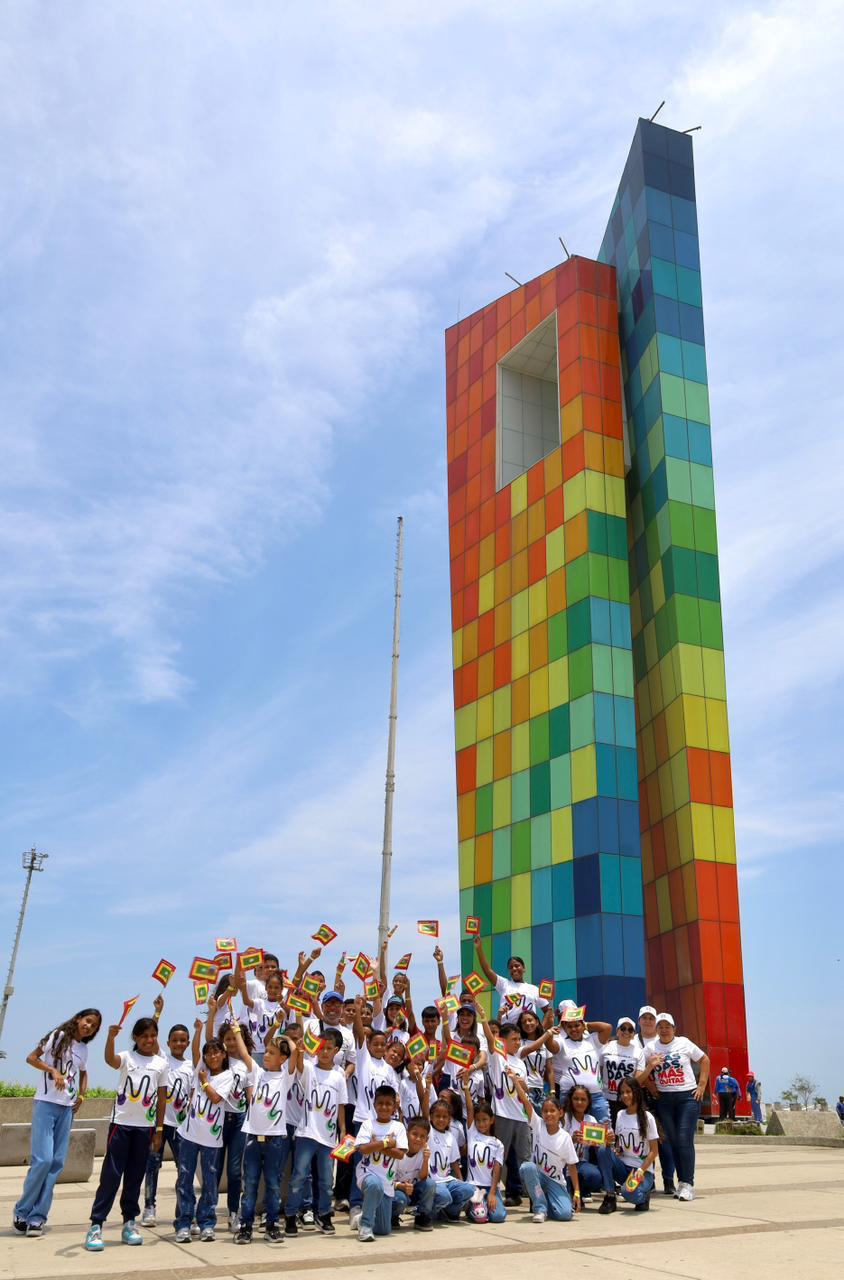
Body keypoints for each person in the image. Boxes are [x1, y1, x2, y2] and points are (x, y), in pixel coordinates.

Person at [14, 1008, 102, 1237]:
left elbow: (84, 1073)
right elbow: (31, 1058)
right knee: (42, 1160)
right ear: (78, 1019)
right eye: (87, 1021)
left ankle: (37, 1218)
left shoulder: (83, 1049)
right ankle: (22, 1211)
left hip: (67, 1109)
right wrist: (52, 1070)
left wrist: (82, 1096)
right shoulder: (58, 1036)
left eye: (94, 1026)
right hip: (45, 1104)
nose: (89, 1027)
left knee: (56, 1164)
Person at [84, 1016, 167, 1252]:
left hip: (145, 1127)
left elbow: (162, 1099)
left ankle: (129, 1222)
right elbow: (110, 1060)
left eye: (153, 1036)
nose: (149, 1040)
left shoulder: (161, 1064)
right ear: (135, 1038)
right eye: (144, 1036)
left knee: (135, 1177)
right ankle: (96, 1224)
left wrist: (159, 1130)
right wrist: (110, 1037)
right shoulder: (127, 1057)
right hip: (121, 1125)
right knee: (111, 1176)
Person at [229, 1022, 294, 1245]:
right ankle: (246, 1227)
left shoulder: (285, 1077)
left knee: (273, 1185)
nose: (266, 1055)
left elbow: (295, 1054)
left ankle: (272, 1225)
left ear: (282, 1058)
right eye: (266, 1051)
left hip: (276, 1140)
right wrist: (237, 1031)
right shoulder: (257, 1074)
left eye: (272, 1053)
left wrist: (286, 1039)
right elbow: (245, 1053)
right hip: (253, 1139)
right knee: (250, 1185)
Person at [637, 1012, 709, 1202]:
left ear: (674, 1028)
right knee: (673, 1141)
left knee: (684, 1139)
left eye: (667, 1026)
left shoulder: (683, 1042)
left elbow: (704, 1060)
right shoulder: (650, 1047)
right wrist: (651, 1086)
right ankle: (681, 1183)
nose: (664, 1030)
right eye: (660, 1026)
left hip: (687, 1097)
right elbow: (640, 1072)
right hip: (665, 1099)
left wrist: (702, 1085)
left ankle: (688, 1183)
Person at [173, 1024, 234, 1242]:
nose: (212, 1057)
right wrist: (199, 1030)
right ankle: (184, 1222)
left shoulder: (227, 1076)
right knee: (184, 1179)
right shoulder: (201, 1069)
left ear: (224, 1055)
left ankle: (207, 1222)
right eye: (208, 1054)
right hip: (188, 1135)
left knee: (209, 1182)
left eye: (216, 1052)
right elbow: (195, 1051)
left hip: (211, 1139)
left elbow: (216, 1098)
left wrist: (204, 1082)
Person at [285, 1027, 348, 1236]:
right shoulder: (310, 1069)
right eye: (321, 1048)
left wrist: (343, 1131)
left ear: (336, 1051)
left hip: (328, 1139)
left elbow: (340, 1106)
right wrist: (299, 1051)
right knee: (299, 1176)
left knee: (326, 1181)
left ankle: (324, 1214)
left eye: (329, 1048)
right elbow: (299, 1066)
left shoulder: (339, 1076)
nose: (325, 1052)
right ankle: (291, 1215)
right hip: (306, 1133)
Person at [142, 1014, 192, 1227]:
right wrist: (157, 1014)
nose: (179, 1043)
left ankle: (184, 1210)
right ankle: (149, 1207)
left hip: (182, 1128)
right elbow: (151, 1041)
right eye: (175, 1040)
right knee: (152, 1166)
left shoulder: (191, 1066)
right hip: (160, 1125)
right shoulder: (162, 1059)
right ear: (168, 1043)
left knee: (184, 1169)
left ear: (187, 1043)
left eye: (183, 1040)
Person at [511, 1074, 580, 1222]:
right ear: (541, 1113)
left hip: (555, 1181)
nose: (549, 1114)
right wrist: (516, 1083)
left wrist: (577, 1192)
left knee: (564, 1215)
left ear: (560, 1113)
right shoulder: (537, 1124)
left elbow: (572, 1166)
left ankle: (547, 1202)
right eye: (545, 1111)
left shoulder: (565, 1137)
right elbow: (526, 1102)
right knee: (527, 1167)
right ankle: (540, 1208)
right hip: (537, 1177)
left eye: (552, 1110)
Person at [210, 1008, 253, 1232]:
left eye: (236, 1038)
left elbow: (250, 1096)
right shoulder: (217, 1062)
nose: (232, 1043)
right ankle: (208, 1212)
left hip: (238, 1120)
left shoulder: (246, 1065)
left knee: (235, 1170)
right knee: (213, 1168)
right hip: (218, 1120)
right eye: (227, 1039)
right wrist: (211, 1014)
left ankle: (234, 1212)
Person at [482, 1018, 530, 1205]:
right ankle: (493, 1194)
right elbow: (489, 1037)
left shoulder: (520, 1063)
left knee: (525, 1158)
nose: (517, 1043)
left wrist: (521, 1083)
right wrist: (483, 1016)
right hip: (503, 1115)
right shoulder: (498, 1057)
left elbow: (526, 1089)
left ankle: (530, 1194)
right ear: (504, 1041)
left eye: (519, 1039)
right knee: (500, 1157)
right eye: (514, 1039)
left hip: (522, 1116)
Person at [353, 1084, 407, 1241]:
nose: (384, 1107)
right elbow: (363, 1149)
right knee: (374, 1184)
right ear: (374, 1104)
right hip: (367, 1173)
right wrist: (386, 1143)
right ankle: (365, 1226)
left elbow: (400, 1154)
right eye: (380, 1103)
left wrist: (375, 1145)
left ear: (394, 1107)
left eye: (388, 1104)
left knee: (384, 1230)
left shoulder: (398, 1127)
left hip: (387, 1181)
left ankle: (362, 1217)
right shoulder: (368, 1124)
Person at [602, 1078, 659, 1212]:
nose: (625, 1095)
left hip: (642, 1171)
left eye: (628, 1091)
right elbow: (619, 1145)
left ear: (636, 1092)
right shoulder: (620, 1114)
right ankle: (610, 1195)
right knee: (603, 1150)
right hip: (623, 1168)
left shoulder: (647, 1117)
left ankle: (644, 1196)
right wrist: (616, 1150)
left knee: (627, 1192)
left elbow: (654, 1151)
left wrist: (641, 1170)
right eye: (622, 1092)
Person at [638, 1005, 676, 1195]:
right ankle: (649, 1180)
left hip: (662, 1096)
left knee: (665, 1139)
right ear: (639, 1021)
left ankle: (669, 1180)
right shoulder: (633, 1041)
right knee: (645, 1140)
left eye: (651, 1018)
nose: (647, 1021)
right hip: (642, 1097)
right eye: (644, 1018)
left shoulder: (663, 1040)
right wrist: (649, 1085)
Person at [472, 934, 547, 1025]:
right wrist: (479, 949)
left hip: (527, 1030)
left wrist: (541, 1029)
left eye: (517, 966)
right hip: (507, 1030)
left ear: (524, 968)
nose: (514, 969)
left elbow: (548, 1011)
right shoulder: (504, 984)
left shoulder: (534, 989)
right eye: (511, 967)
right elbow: (487, 970)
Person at [562, 1084, 615, 1210]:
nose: (579, 1102)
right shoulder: (564, 1118)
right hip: (563, 1165)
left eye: (583, 1099)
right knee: (566, 1206)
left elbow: (600, 1146)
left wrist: (607, 1141)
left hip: (580, 1164)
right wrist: (571, 1140)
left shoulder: (590, 1120)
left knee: (595, 1176)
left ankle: (581, 1192)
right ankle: (569, 1191)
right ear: (570, 1100)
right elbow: (555, 1145)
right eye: (576, 1099)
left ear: (588, 1102)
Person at [423, 1096, 475, 1220]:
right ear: (431, 1117)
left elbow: (454, 1162)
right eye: (437, 1116)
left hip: (447, 1179)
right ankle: (429, 1213)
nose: (441, 1119)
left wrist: (461, 1181)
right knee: (445, 1196)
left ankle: (450, 1212)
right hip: (434, 1181)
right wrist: (427, 1090)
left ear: (449, 1119)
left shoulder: (450, 1137)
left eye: (444, 1117)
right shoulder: (429, 1132)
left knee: (469, 1190)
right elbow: (424, 1111)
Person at [461, 1084, 506, 1222]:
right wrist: (466, 1087)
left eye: (485, 1120)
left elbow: (497, 1170)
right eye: (478, 1121)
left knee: (498, 1217)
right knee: (481, 1216)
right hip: (473, 1186)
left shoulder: (498, 1144)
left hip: (489, 1187)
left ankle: (484, 1203)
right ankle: (471, 1206)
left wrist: (492, 1193)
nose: (481, 1124)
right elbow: (469, 1108)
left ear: (492, 1120)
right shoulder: (472, 1134)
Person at [391, 1115, 436, 1230]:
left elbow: (423, 1177)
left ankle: (422, 1216)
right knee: (400, 1199)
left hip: (414, 1190)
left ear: (427, 1139)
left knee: (430, 1184)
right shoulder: (398, 1151)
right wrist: (400, 1186)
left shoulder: (425, 1150)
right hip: (398, 1190)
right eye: (414, 1134)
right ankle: (392, 1216)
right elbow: (387, 1179)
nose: (418, 1139)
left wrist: (425, 1160)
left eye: (422, 1136)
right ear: (407, 1134)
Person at [600, 1017, 644, 1125]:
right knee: (608, 1129)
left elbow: (637, 1079)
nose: (626, 1032)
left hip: (627, 1099)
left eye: (630, 1030)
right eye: (623, 1028)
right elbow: (600, 1071)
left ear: (633, 1034)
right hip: (607, 1098)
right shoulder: (606, 1047)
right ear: (617, 1031)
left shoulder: (638, 1052)